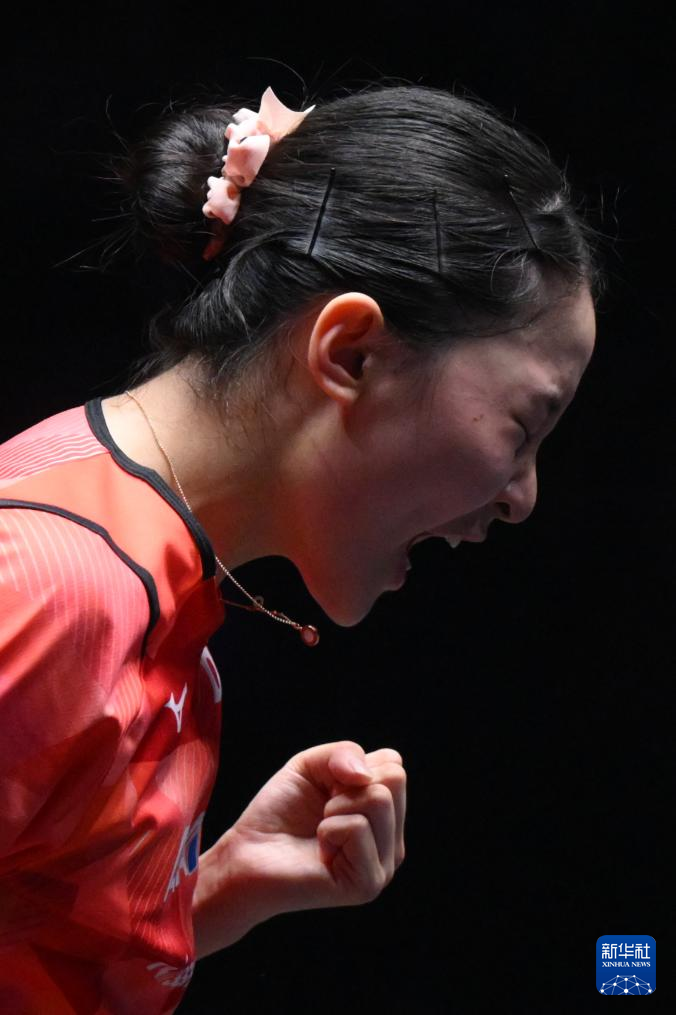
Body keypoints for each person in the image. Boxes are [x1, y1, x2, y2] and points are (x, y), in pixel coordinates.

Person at [0, 80, 603, 1013]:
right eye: (524, 427)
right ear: (352, 351)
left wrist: (204, 896)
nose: (521, 499)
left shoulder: (125, 551)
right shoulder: (44, 589)